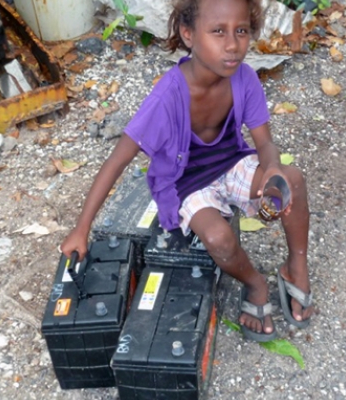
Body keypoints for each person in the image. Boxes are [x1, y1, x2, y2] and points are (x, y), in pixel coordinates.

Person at [60, 0, 313, 342]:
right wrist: (81, 229)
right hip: (187, 183)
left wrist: (270, 170)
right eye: (218, 31)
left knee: (291, 179)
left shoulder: (244, 78)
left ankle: (296, 266)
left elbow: (264, 142)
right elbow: (117, 160)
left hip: (230, 163)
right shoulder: (168, 96)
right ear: (188, 34)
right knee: (219, 239)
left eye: (241, 30)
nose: (232, 44)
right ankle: (254, 283)